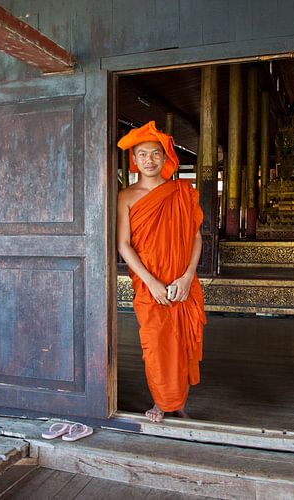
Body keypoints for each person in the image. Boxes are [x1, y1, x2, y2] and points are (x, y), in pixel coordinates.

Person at [117, 121, 206, 423]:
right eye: (143, 154)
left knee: (181, 343)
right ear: (135, 159)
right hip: (149, 286)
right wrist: (152, 283)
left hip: (182, 283)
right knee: (155, 345)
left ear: (165, 157)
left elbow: (196, 237)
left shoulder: (182, 192)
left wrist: (187, 277)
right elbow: (124, 245)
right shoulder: (126, 197)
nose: (149, 160)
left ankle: (177, 401)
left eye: (155, 153)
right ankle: (161, 400)